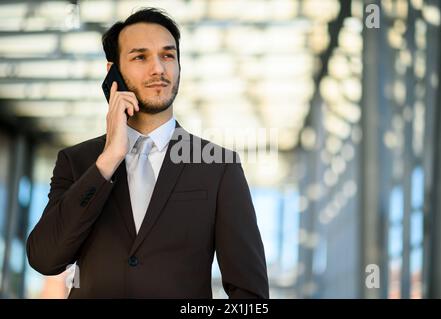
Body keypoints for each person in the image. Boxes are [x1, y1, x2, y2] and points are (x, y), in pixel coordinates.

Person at [26, 8, 269, 299]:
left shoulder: (219, 167)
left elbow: (251, 296)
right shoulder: (77, 161)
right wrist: (108, 161)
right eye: (140, 57)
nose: (158, 69)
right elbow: (44, 258)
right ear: (112, 72)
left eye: (168, 55)